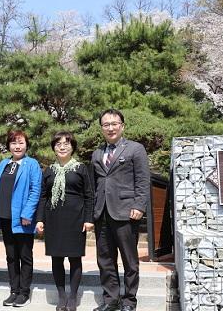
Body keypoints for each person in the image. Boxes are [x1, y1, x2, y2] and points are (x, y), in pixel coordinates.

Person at [91, 109, 150, 311]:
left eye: (114, 123)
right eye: (106, 124)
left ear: (122, 126)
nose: (110, 127)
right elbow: (96, 182)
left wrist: (139, 205)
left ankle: (129, 301)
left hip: (127, 212)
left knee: (129, 260)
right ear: (101, 128)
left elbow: (143, 180)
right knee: (105, 260)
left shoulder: (135, 149)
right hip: (102, 213)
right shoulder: (97, 153)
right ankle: (111, 300)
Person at [36, 131, 94, 311]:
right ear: (53, 147)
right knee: (57, 258)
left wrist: (88, 219)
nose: (62, 146)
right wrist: (40, 220)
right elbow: (43, 197)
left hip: (76, 218)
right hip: (53, 218)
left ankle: (73, 296)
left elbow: (89, 196)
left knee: (75, 258)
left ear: (73, 147)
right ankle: (62, 296)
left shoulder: (81, 168)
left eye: (66, 143)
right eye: (58, 143)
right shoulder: (49, 170)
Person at [0, 130, 42, 307]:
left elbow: (36, 190)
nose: (17, 146)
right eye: (13, 143)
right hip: (5, 217)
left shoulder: (31, 164)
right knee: (11, 256)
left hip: (22, 218)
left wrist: (28, 213)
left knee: (25, 255)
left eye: (20, 143)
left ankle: (24, 292)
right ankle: (14, 290)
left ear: (26, 145)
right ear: (8, 146)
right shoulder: (3, 163)